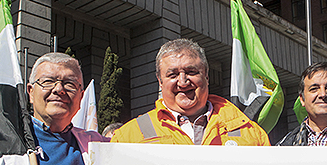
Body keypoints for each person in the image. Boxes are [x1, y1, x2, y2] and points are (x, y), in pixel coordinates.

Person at [111, 38, 269, 146]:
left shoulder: (252, 133)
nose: (183, 81)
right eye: (172, 75)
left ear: (206, 75)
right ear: (160, 81)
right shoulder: (127, 137)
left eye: (191, 72)